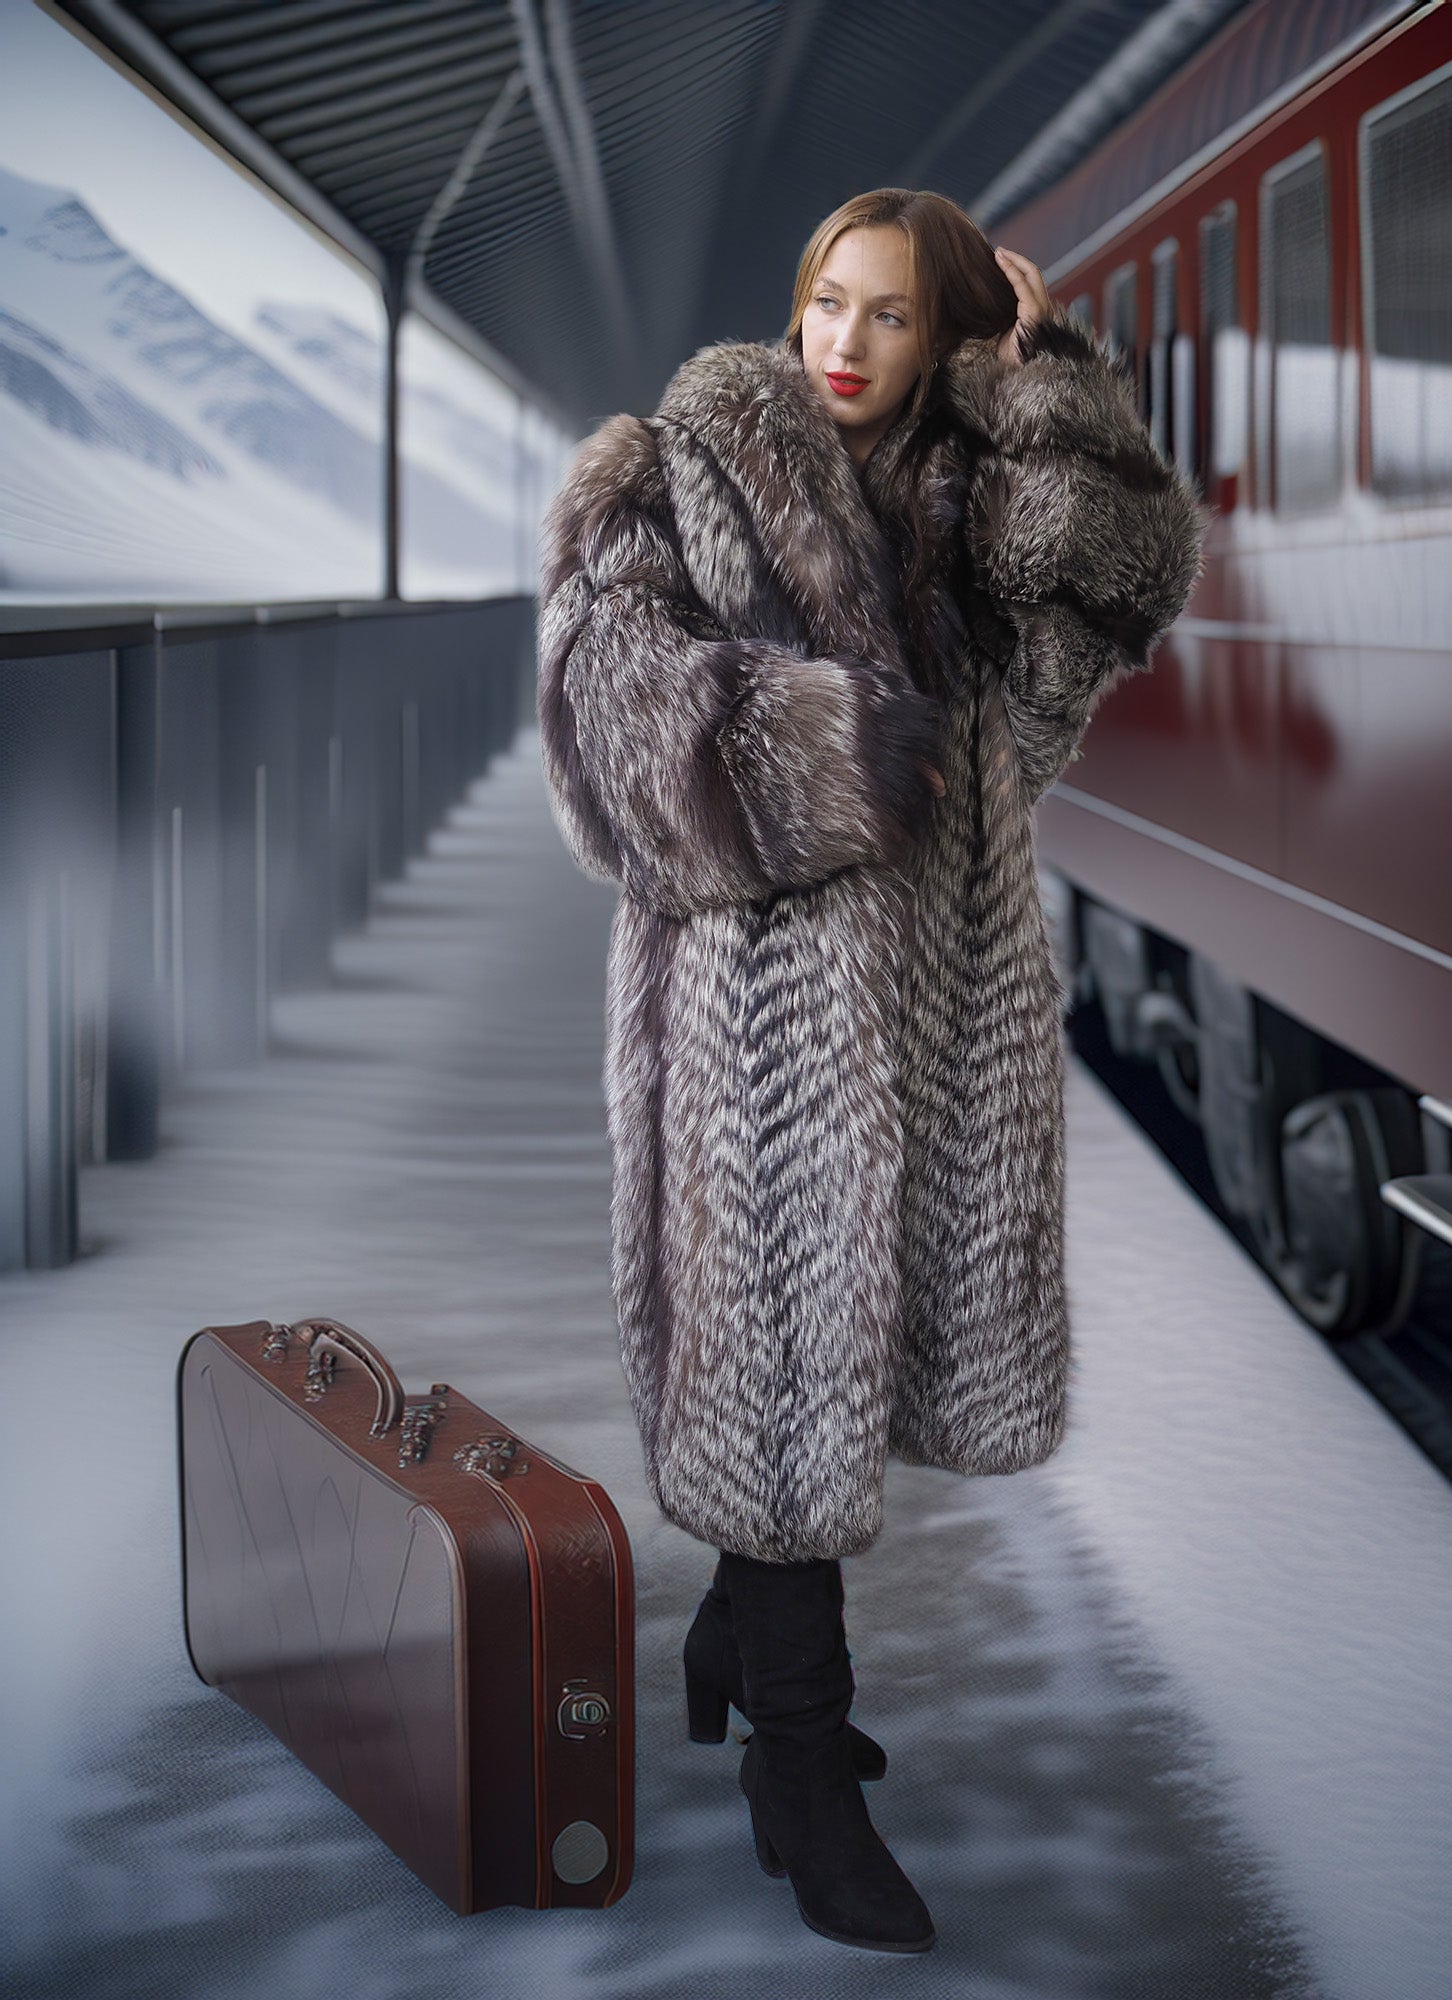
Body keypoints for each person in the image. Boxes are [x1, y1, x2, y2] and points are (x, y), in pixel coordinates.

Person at [536, 187, 1204, 1953]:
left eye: (894, 315)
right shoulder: (673, 469)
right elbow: (605, 730)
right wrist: (840, 750)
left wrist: (1045, 389)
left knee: (857, 1362)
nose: (843, 343)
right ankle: (799, 1771)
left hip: (935, 1013)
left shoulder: (965, 498)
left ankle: (737, 1638)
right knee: (772, 1384)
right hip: (753, 1024)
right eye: (827, 300)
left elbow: (1100, 613)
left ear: (946, 331)